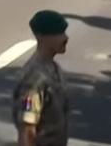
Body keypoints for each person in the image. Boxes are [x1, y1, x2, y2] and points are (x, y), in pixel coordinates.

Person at [12, 10, 70, 146]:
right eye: (58, 33)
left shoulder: (54, 69)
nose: (65, 38)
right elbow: (27, 131)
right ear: (41, 37)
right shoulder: (34, 79)